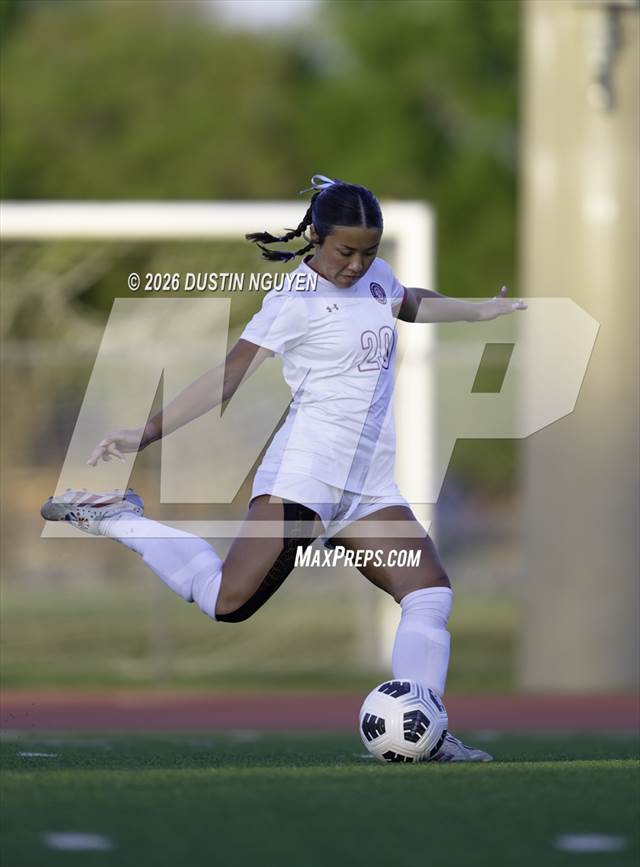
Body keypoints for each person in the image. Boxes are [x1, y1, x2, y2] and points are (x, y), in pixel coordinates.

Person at [41, 174, 526, 761]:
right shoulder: (292, 302)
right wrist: (146, 432)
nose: (357, 264)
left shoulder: (375, 276)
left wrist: (478, 311)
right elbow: (229, 376)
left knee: (429, 593)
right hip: (306, 474)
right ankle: (117, 517)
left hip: (367, 485)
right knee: (227, 602)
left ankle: (426, 728)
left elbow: (408, 301)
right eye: (346, 251)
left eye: (368, 252)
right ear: (316, 237)